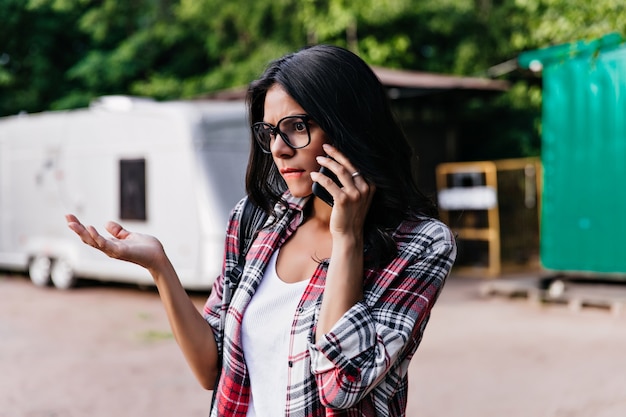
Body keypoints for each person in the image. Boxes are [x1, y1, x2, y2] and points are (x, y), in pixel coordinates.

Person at [66, 44, 456, 417]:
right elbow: (210, 369)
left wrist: (348, 238)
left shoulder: (421, 243)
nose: (280, 149)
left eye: (297, 126)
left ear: (349, 128)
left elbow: (342, 386)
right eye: (270, 132)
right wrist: (160, 268)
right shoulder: (255, 219)